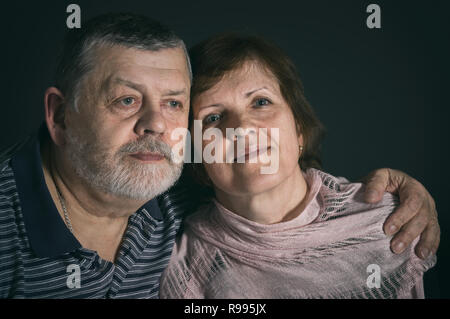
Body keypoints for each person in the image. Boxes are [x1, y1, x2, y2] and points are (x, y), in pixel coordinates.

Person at [0, 13, 439, 299]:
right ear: (60, 116)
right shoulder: (188, 246)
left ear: (300, 128)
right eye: (126, 100)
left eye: (173, 103)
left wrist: (405, 190)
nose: (155, 125)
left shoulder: (163, 185)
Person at [159, 34, 437, 298]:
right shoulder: (181, 270)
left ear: (299, 129)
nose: (241, 128)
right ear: (197, 156)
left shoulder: (393, 222)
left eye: (261, 102)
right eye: (214, 117)